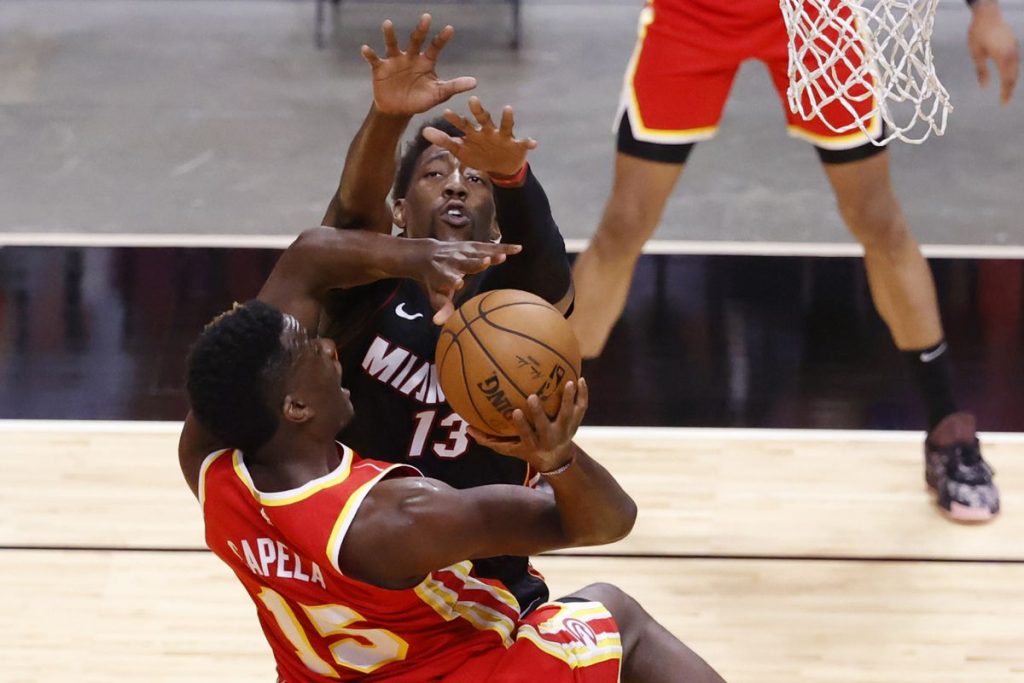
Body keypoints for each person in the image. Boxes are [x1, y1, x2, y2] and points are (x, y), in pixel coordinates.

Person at [177, 244, 726, 682]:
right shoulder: (400, 517)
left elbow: (302, 266)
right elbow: (610, 521)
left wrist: (415, 256)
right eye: (310, 348)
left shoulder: (213, 475)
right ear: (295, 407)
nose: (328, 348)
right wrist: (558, 459)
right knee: (615, 614)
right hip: (454, 673)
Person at [569, 0, 1020, 522]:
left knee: (877, 218)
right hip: (692, 14)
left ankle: (948, 429)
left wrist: (985, 12)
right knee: (624, 223)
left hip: (814, 15)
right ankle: (542, 439)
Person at [312, 15, 574, 611]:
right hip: (367, 576)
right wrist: (387, 116)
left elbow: (547, 268)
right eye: (436, 174)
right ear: (400, 210)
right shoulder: (367, 288)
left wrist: (513, 175)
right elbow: (352, 218)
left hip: (490, 588)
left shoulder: (516, 306)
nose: (455, 186)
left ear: (498, 219)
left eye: (475, 180)